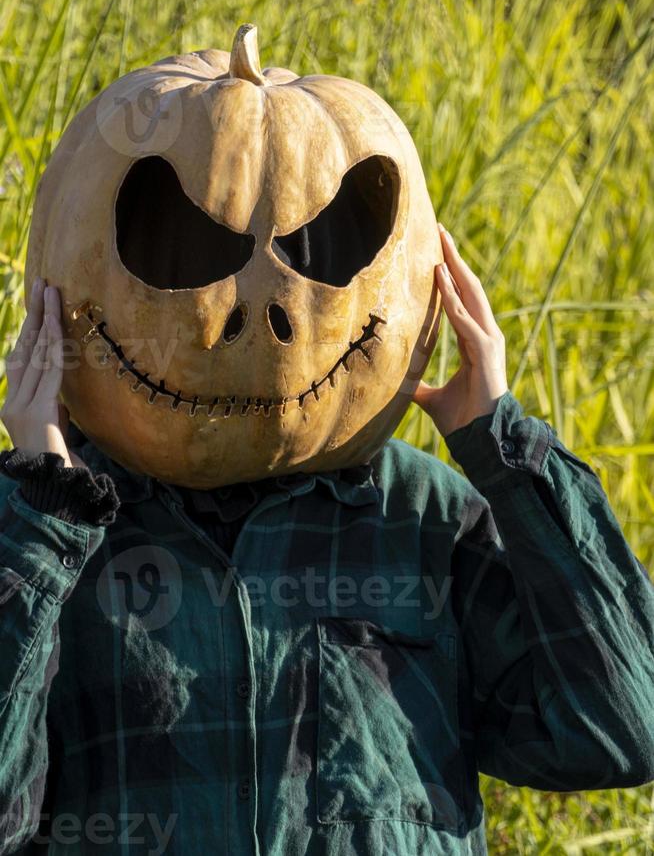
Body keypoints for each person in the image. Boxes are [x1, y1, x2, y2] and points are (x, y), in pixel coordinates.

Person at [0, 223, 652, 856]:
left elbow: (621, 729)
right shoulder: (50, 527)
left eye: (298, 266)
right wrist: (44, 515)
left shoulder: (421, 517)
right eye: (200, 265)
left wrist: (499, 442)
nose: (253, 313)